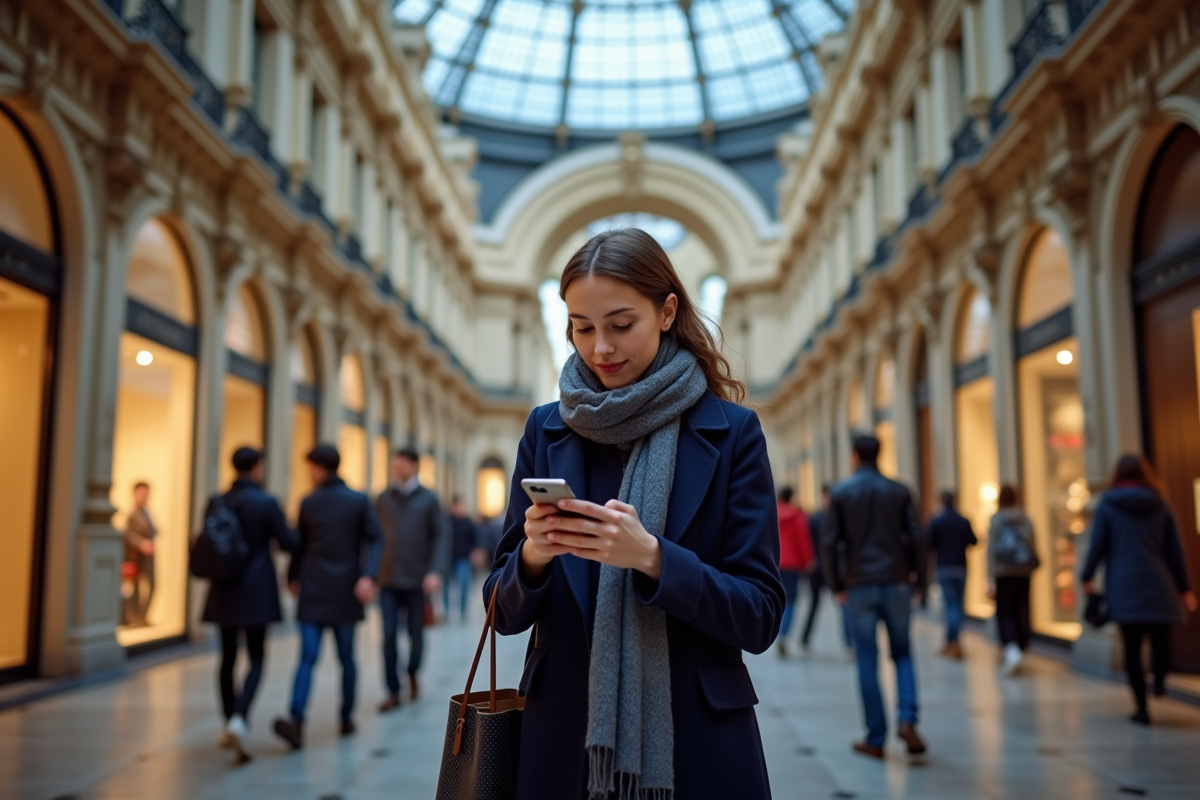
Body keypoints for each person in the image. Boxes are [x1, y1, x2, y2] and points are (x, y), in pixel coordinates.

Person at [484, 228, 784, 800]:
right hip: (563, 744)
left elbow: (761, 615)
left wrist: (651, 558)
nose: (600, 348)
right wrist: (533, 555)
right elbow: (502, 613)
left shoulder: (733, 433)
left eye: (621, 325)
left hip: (696, 743)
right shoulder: (545, 430)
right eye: (582, 328)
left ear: (667, 310)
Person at [822, 434, 926, 760]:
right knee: (903, 653)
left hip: (859, 583)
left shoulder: (840, 493)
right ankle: (907, 718)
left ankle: (876, 737)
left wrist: (836, 584)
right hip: (896, 580)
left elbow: (829, 543)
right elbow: (916, 537)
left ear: (854, 456)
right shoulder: (899, 490)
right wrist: (919, 579)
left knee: (867, 659)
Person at [273, 445, 382, 749]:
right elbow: (376, 538)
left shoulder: (309, 501)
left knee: (307, 657)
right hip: (346, 589)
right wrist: (368, 575)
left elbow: (300, 545)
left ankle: (296, 718)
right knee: (346, 658)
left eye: (311, 466)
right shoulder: (358, 500)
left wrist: (294, 577)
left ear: (320, 467)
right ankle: (346, 716)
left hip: (314, 588)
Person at [1081, 455, 1197, 725]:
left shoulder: (1107, 505)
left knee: (1132, 649)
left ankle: (1142, 708)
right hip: (1159, 583)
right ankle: (1159, 679)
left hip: (1123, 585)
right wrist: (1185, 588)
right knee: (1160, 641)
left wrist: (1086, 577)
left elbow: (1096, 545)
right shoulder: (1162, 504)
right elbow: (1175, 551)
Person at [201, 447, 296, 763]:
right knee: (256, 655)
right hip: (256, 588)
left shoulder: (216, 501)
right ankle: (240, 718)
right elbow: (287, 543)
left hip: (224, 587)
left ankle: (229, 720)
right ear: (256, 468)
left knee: (227, 656)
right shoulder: (266, 503)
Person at [375, 446, 449, 712]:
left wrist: (435, 571)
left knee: (416, 635)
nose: (398, 467)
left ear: (414, 466)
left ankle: (412, 671)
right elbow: (374, 538)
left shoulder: (428, 499)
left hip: (418, 580)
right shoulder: (383, 498)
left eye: (403, 463)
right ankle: (393, 690)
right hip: (388, 579)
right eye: (395, 463)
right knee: (388, 636)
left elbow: (441, 536)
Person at [986, 484, 1039, 677]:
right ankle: (1020, 646)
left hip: (1003, 572)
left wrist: (989, 577)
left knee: (1005, 611)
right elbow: (1033, 543)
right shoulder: (1026, 518)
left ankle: (1011, 647)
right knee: (1021, 609)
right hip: (1023, 571)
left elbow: (991, 550)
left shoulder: (997, 519)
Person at [802, 484, 854, 654]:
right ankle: (848, 644)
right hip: (830, 567)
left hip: (822, 567)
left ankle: (806, 639)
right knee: (836, 605)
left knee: (823, 604)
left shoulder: (817, 518)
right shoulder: (832, 518)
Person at [927, 490, 977, 659]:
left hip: (944, 567)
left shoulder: (937, 521)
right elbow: (974, 541)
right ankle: (952, 642)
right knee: (957, 605)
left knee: (950, 606)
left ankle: (953, 642)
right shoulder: (963, 520)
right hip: (960, 567)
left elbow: (928, 544)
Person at [776, 486, 814, 657]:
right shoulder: (797, 516)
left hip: (774, 562)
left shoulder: (770, 513)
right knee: (790, 601)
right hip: (792, 565)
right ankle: (783, 635)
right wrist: (808, 561)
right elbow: (802, 539)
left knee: (776, 599)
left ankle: (775, 630)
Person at [122, 482, 156, 627]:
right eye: (142, 493)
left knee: (152, 585)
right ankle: (134, 618)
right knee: (134, 589)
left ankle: (141, 617)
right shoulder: (132, 514)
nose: (144, 496)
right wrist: (142, 544)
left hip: (148, 556)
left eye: (146, 493)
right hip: (136, 556)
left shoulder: (147, 512)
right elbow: (128, 534)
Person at [444, 496, 479, 621]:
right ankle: (446, 611)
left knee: (464, 583)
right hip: (448, 557)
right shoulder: (447, 521)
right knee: (445, 585)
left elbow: (476, 537)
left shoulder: (468, 522)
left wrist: (476, 551)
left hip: (463, 557)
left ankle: (463, 610)